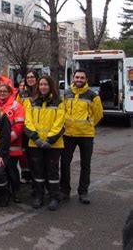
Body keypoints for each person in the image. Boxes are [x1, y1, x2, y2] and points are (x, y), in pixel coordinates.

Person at [60, 69, 103, 204]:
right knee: (65, 164)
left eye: (82, 78)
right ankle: (64, 191)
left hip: (86, 135)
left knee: (86, 165)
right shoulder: (66, 94)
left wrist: (88, 125)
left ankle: (83, 192)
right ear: (73, 78)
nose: (79, 79)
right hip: (68, 134)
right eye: (77, 77)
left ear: (86, 79)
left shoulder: (93, 96)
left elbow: (98, 114)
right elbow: (61, 111)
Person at [24, 76, 66, 211]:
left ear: (50, 86)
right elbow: (28, 122)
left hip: (53, 145)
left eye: (45, 84)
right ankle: (38, 196)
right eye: (41, 84)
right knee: (38, 171)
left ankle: (54, 197)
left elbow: (59, 124)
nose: (43, 87)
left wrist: (49, 140)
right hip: (35, 143)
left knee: (52, 171)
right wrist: (35, 138)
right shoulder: (32, 102)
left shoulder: (59, 103)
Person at [0, 83, 25, 203]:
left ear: (10, 93)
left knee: (12, 169)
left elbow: (19, 126)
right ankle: (5, 192)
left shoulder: (16, 106)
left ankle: (16, 192)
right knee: (2, 170)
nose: (2, 93)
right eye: (0, 91)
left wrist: (6, 140)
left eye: (5, 91)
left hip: (13, 145)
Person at [17, 69, 39, 183]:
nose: (30, 79)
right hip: (25, 128)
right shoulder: (22, 94)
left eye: (32, 77)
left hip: (38, 128)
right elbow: (17, 109)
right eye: (28, 77)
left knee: (36, 154)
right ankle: (27, 175)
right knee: (26, 153)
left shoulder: (41, 92)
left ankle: (37, 176)